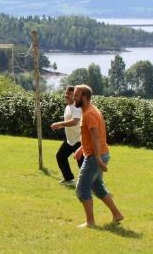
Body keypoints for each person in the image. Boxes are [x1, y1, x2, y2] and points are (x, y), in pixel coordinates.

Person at [72, 84, 124, 228]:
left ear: (84, 97)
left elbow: (95, 137)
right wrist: (81, 149)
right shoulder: (91, 110)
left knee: (81, 189)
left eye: (76, 95)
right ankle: (117, 214)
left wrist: (99, 159)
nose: (73, 98)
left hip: (95, 157)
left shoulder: (89, 114)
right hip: (98, 154)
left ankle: (90, 222)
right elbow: (91, 136)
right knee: (97, 186)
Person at [50, 85, 83, 185]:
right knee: (60, 156)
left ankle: (93, 184)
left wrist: (59, 124)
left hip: (79, 140)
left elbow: (75, 121)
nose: (66, 95)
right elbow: (70, 122)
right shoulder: (68, 107)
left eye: (69, 94)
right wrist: (60, 126)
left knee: (82, 164)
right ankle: (69, 179)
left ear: (74, 95)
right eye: (66, 93)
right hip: (70, 140)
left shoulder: (76, 107)